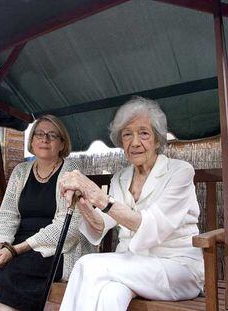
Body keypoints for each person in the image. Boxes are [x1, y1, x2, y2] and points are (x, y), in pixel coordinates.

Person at [58, 97, 204, 311]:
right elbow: (101, 225)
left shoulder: (180, 172)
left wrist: (97, 195)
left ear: (157, 140)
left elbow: (152, 225)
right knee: (109, 294)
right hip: (130, 266)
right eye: (127, 134)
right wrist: (83, 201)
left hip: (176, 267)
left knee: (86, 264)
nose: (135, 142)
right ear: (121, 142)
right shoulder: (120, 178)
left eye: (144, 133)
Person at [0, 115, 93, 311]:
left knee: (9, 278)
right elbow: (7, 216)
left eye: (52, 135)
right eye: (39, 134)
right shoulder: (21, 171)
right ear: (31, 140)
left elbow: (67, 229)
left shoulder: (72, 172)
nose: (44, 139)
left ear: (62, 143)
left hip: (56, 249)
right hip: (15, 246)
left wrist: (14, 251)